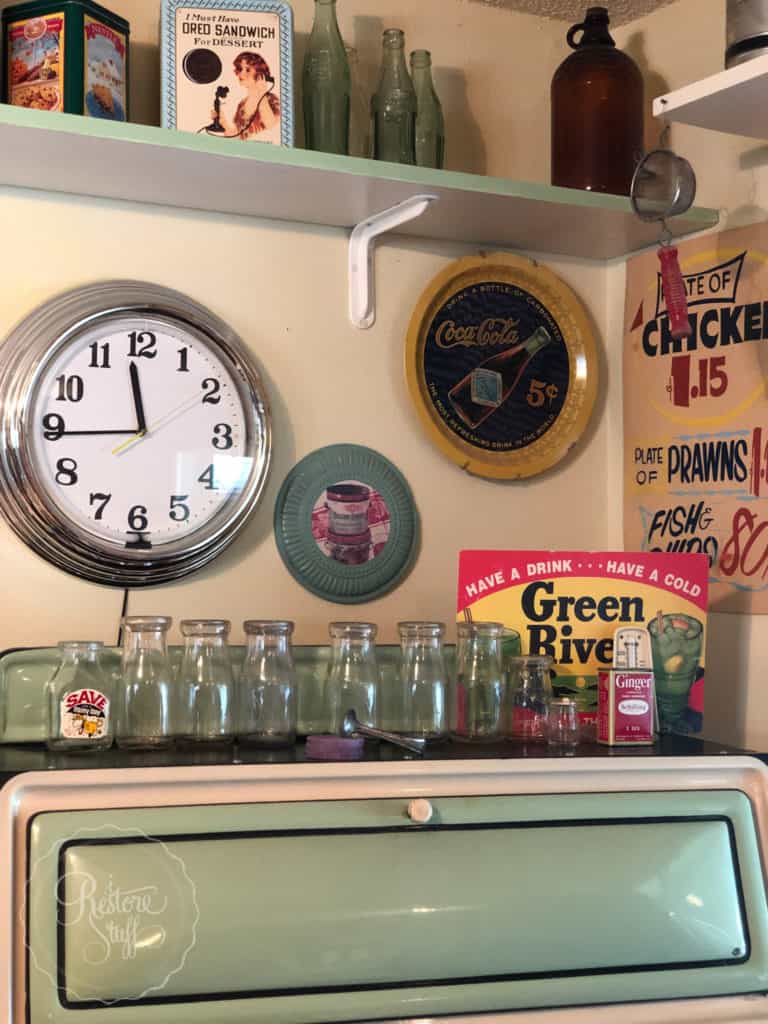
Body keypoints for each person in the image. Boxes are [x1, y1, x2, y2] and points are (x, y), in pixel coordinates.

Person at [216, 52, 280, 139]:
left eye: (248, 70)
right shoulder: (242, 104)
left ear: (260, 74)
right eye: (240, 69)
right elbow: (237, 136)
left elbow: (272, 127)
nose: (241, 74)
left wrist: (261, 94)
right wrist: (222, 121)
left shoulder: (272, 100)